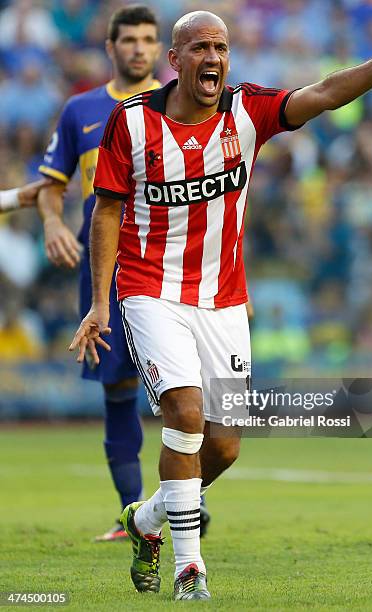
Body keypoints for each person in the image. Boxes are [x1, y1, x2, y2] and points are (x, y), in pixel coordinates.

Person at [70, 11, 372, 600]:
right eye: (199, 48)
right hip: (150, 292)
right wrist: (98, 303)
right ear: (176, 59)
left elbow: (320, 95)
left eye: (221, 47)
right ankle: (191, 573)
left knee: (224, 445)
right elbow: (106, 210)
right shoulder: (132, 124)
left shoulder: (247, 111)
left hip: (224, 302)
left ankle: (145, 521)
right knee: (185, 416)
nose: (212, 57)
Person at [37, 5, 163, 542]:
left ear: (162, 49)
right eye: (129, 39)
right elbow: (51, 183)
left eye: (148, 39)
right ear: (110, 48)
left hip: (168, 258)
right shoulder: (81, 110)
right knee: (117, 387)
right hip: (105, 264)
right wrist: (50, 222)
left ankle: (182, 504)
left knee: (192, 391)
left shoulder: (180, 103)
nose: (138, 48)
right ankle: (134, 513)